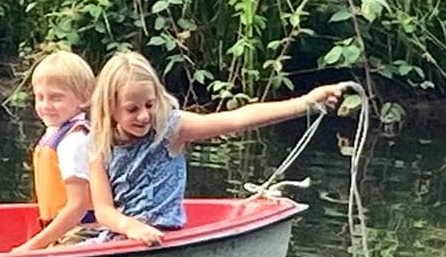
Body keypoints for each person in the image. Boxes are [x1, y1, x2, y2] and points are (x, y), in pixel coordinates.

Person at [85, 52, 345, 245]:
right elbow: (104, 211)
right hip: (123, 237)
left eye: (150, 105)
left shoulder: (171, 129)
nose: (144, 116)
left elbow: (237, 119)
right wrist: (130, 227)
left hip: (167, 238)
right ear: (110, 108)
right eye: (132, 109)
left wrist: (305, 103)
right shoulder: (99, 145)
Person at [11, 50, 97, 252]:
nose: (46, 106)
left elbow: (78, 206)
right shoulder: (55, 132)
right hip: (65, 231)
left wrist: (32, 246)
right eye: (40, 97)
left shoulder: (73, 142)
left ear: (84, 98)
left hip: (82, 233)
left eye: (56, 98)